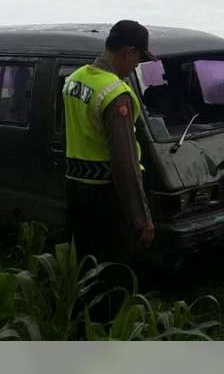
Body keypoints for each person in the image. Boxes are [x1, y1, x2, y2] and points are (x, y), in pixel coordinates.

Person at [62, 20, 155, 261]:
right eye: (138, 59)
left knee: (85, 261)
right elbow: (125, 164)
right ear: (128, 52)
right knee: (113, 270)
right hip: (109, 197)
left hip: (76, 187)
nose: (136, 66)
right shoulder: (114, 94)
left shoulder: (74, 79)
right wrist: (141, 219)